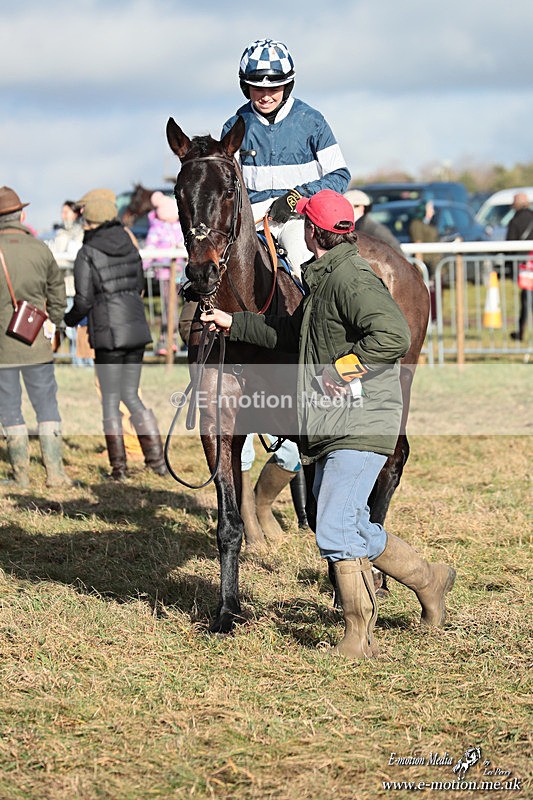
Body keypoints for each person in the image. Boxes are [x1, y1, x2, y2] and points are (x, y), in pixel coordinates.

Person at [201, 190, 455, 660]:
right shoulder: (323, 278)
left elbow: (394, 335)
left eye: (303, 223)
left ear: (312, 232)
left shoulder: (351, 278)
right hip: (338, 422)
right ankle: (430, 580)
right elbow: (290, 333)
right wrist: (233, 323)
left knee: (334, 527)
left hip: (362, 422)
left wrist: (342, 370)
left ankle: (359, 637)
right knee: (352, 524)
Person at [217, 38, 350, 545]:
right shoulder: (236, 123)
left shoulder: (312, 120)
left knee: (302, 266)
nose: (265, 93)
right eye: (256, 86)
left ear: (288, 85)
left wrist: (299, 199)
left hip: (297, 218)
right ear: (245, 87)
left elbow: (340, 173)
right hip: (252, 219)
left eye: (273, 86)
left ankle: (314, 332)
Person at [64, 189, 167, 480]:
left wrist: (67, 320)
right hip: (136, 328)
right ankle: (157, 462)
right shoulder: (129, 242)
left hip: (108, 333)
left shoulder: (87, 252)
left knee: (110, 400)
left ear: (89, 220)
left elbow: (83, 300)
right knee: (131, 395)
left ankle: (119, 469)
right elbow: (140, 286)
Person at [0, 186, 72, 488]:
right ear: (21, 215)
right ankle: (55, 474)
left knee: (9, 407)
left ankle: (20, 476)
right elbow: (57, 292)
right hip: (37, 343)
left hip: (2, 349)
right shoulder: (40, 248)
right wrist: (53, 321)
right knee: (46, 405)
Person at [143, 192, 186, 355]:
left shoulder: (180, 226)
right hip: (165, 274)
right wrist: (144, 264)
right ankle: (167, 339)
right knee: (170, 307)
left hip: (181, 273)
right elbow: (150, 247)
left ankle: (172, 338)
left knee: (178, 307)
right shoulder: (157, 228)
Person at [48, 200, 90, 365]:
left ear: (75, 213)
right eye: (62, 212)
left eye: (66, 212)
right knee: (69, 329)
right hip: (62, 288)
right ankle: (77, 361)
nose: (63, 215)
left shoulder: (81, 233)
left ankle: (84, 362)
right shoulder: (59, 234)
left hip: (76, 287)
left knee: (80, 328)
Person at [506, 192, 533, 341]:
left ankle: (521, 332)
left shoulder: (515, 221)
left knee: (526, 299)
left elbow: (509, 244)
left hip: (524, 267)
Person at [344, 189, 403, 254]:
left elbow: (397, 253)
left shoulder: (375, 230)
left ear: (362, 207)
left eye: (349, 207)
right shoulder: (350, 227)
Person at [408, 200, 441, 277]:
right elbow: (418, 246)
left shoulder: (430, 224)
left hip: (434, 263)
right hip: (426, 264)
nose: (433, 211)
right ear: (424, 210)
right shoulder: (416, 224)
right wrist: (420, 270)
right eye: (430, 209)